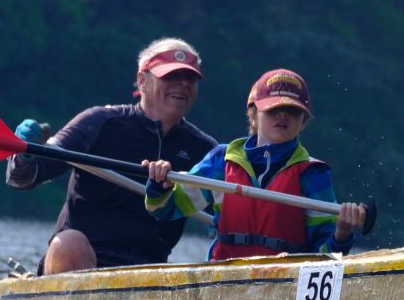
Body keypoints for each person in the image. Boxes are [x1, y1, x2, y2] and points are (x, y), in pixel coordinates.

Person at [6, 37, 217, 274]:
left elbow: (233, 212)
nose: (182, 84)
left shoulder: (205, 150)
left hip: (148, 273)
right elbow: (23, 179)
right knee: (69, 244)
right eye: (170, 76)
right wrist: (23, 154)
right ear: (142, 81)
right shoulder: (99, 122)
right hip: (79, 259)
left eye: (191, 78)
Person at [143, 68, 367, 259]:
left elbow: (325, 256)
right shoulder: (222, 160)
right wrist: (159, 184)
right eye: (272, 109)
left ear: (303, 122)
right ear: (253, 115)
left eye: (292, 110)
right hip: (224, 281)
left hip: (285, 286)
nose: (282, 115)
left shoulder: (313, 174)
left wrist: (342, 233)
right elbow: (164, 210)